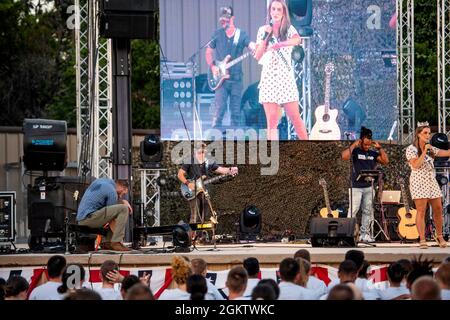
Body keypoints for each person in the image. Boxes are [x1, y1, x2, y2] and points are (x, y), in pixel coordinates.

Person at [254, 0, 308, 141]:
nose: (276, 12)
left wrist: (280, 44)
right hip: (269, 79)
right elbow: (258, 55)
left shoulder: (289, 29)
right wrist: (267, 36)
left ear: (283, 12)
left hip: (285, 79)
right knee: (271, 123)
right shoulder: (263, 30)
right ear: (270, 12)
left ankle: (309, 150)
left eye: (279, 9)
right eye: (274, 9)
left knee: (296, 118)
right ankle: (274, 157)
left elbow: (297, 41)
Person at [205, 6, 256, 129]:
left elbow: (250, 44)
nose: (224, 22)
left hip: (236, 80)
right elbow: (208, 52)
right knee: (219, 111)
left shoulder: (241, 34)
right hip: (220, 81)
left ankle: (234, 143)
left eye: (227, 19)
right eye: (222, 19)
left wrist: (255, 47)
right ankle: (215, 140)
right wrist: (213, 67)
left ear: (232, 18)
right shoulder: (216, 34)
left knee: (235, 113)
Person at [177, 143, 238, 239]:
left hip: (204, 190)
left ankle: (200, 237)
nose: (202, 150)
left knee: (204, 214)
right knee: (195, 215)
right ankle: (191, 237)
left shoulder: (208, 161)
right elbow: (180, 175)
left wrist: (230, 169)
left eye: (203, 148)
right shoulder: (190, 160)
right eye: (200, 148)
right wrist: (189, 184)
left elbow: (220, 169)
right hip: (192, 190)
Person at [406, 122, 450, 249]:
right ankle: (422, 239)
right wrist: (424, 151)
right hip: (419, 182)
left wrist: (429, 149)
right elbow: (415, 165)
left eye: (429, 133)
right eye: (425, 133)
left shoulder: (431, 148)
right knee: (421, 211)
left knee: (438, 209)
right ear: (418, 134)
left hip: (431, 181)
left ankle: (440, 236)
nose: (428, 135)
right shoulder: (411, 149)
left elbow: (445, 153)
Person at [341, 127, 389, 242]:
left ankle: (365, 234)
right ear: (361, 141)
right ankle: (348, 234)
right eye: (365, 144)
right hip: (356, 186)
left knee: (368, 210)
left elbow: (385, 161)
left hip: (369, 186)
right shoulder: (356, 151)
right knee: (353, 210)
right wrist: (354, 145)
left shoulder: (372, 153)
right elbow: (344, 156)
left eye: (369, 145)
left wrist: (380, 148)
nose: (367, 147)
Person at [76, 178, 132, 251]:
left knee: (116, 211)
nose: (121, 196)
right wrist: (120, 237)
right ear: (122, 187)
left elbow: (107, 211)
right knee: (124, 209)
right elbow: (112, 218)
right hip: (89, 218)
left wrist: (122, 201)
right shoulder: (112, 191)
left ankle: (106, 243)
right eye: (123, 193)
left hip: (82, 218)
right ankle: (116, 242)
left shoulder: (102, 181)